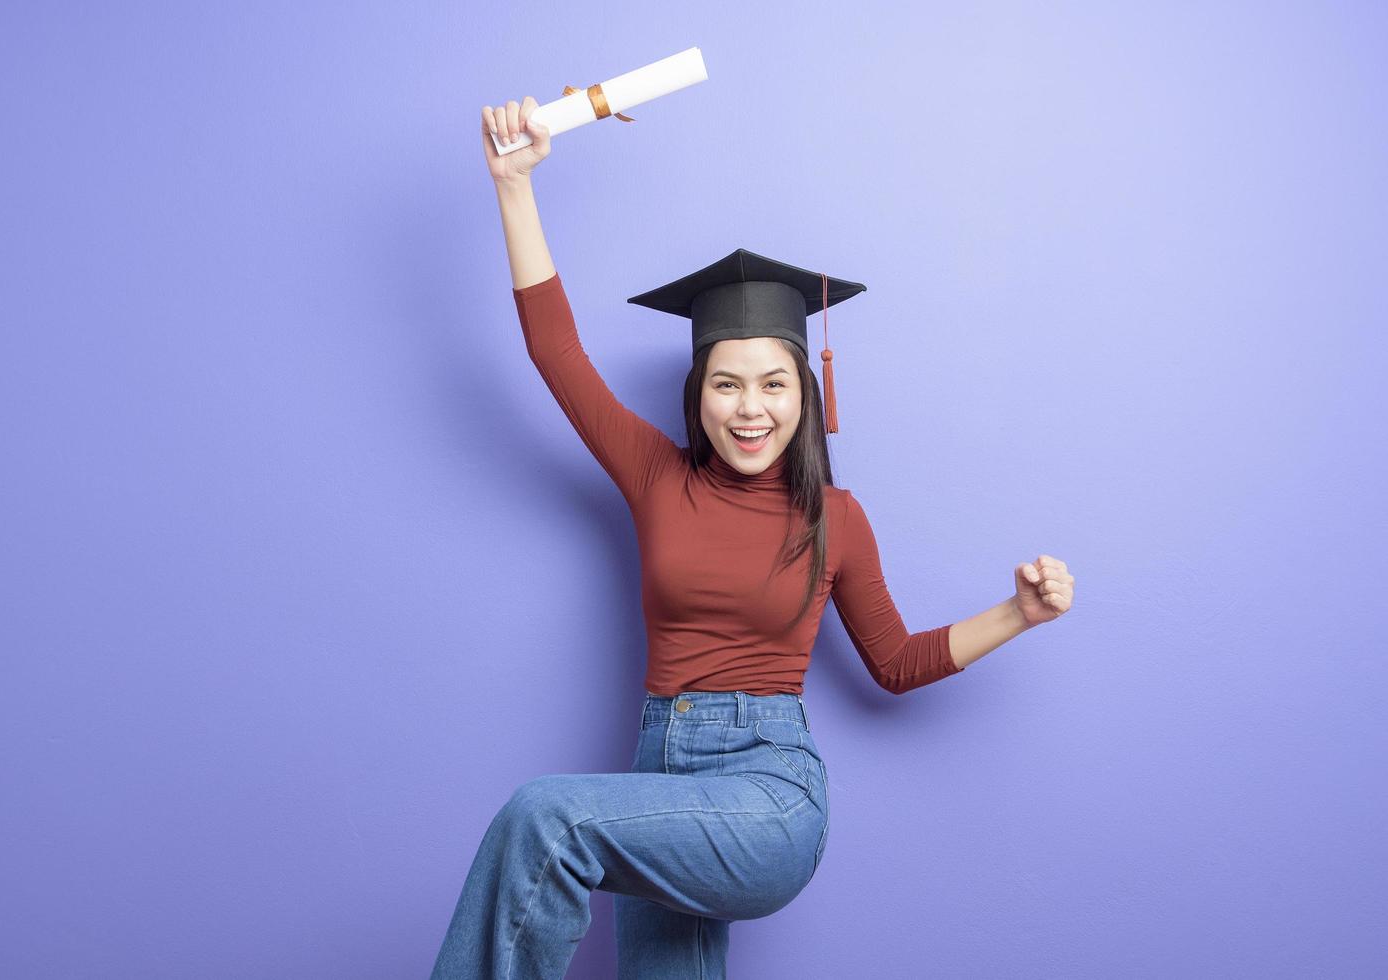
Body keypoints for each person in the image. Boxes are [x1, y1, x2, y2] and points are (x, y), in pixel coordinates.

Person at [430, 96, 1076, 980]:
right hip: (659, 775)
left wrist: (1018, 612)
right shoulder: (656, 476)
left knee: (545, 818)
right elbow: (557, 353)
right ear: (698, 394)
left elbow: (894, 662)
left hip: (767, 794)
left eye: (773, 384)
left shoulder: (834, 519)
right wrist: (514, 186)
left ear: (804, 395)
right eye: (726, 385)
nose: (750, 409)